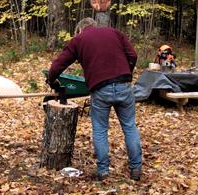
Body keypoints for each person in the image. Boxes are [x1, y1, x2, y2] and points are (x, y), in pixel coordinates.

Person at [47, 17, 142, 181]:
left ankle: (103, 171)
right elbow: (132, 54)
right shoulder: (115, 33)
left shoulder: (79, 39)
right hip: (124, 86)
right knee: (129, 127)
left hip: (101, 88)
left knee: (100, 129)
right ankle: (136, 169)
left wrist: (51, 79)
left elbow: (59, 64)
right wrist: (127, 72)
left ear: (79, 30)